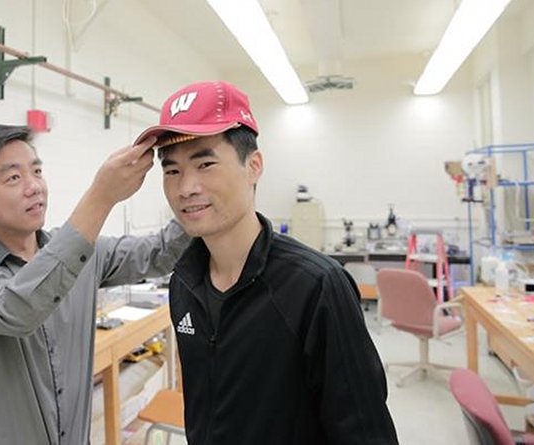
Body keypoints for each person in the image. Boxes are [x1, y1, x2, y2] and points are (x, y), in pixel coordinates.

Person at [135, 81, 398, 444]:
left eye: (205, 163)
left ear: (253, 166)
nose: (186, 188)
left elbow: (366, 434)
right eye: (172, 171)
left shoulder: (316, 286)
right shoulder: (184, 282)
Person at [0, 124, 190, 445]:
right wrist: (101, 196)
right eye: (13, 177)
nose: (34, 186)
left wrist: (198, 189)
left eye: (37, 171)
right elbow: (17, 307)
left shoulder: (84, 255)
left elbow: (161, 252)